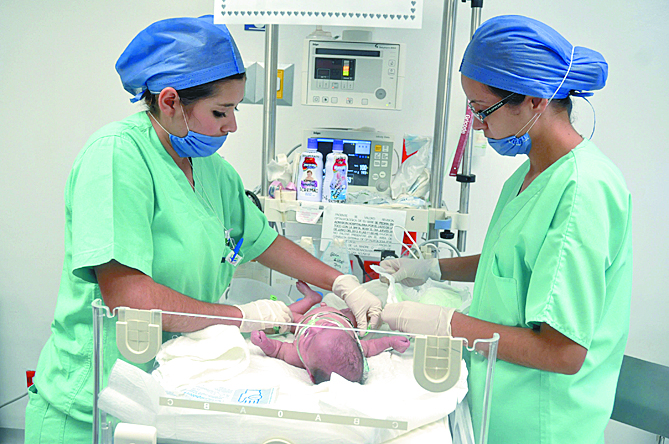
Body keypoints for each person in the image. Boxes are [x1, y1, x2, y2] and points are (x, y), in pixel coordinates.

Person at [25, 15, 382, 443]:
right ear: (170, 102)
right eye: (220, 111)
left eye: (235, 110)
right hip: (94, 405)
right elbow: (131, 298)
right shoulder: (117, 157)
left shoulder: (212, 170)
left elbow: (264, 242)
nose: (232, 125)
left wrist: (343, 283)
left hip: (167, 397)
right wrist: (243, 317)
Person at [380, 15, 632, 444]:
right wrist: (431, 269)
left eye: (482, 110)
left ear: (534, 100)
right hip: (496, 407)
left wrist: (445, 323)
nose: (477, 124)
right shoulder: (530, 174)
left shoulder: (583, 191)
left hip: (542, 423)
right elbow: (509, 261)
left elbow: (563, 352)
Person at [252, 281, 410, 384]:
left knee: (285, 316)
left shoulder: (298, 356)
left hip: (303, 320)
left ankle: (310, 299)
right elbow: (373, 345)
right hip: (339, 316)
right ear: (353, 341)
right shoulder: (358, 346)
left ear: (309, 371)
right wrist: (391, 341)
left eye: (309, 340)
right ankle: (330, 309)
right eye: (326, 327)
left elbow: (278, 350)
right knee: (361, 317)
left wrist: (264, 343)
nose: (313, 328)